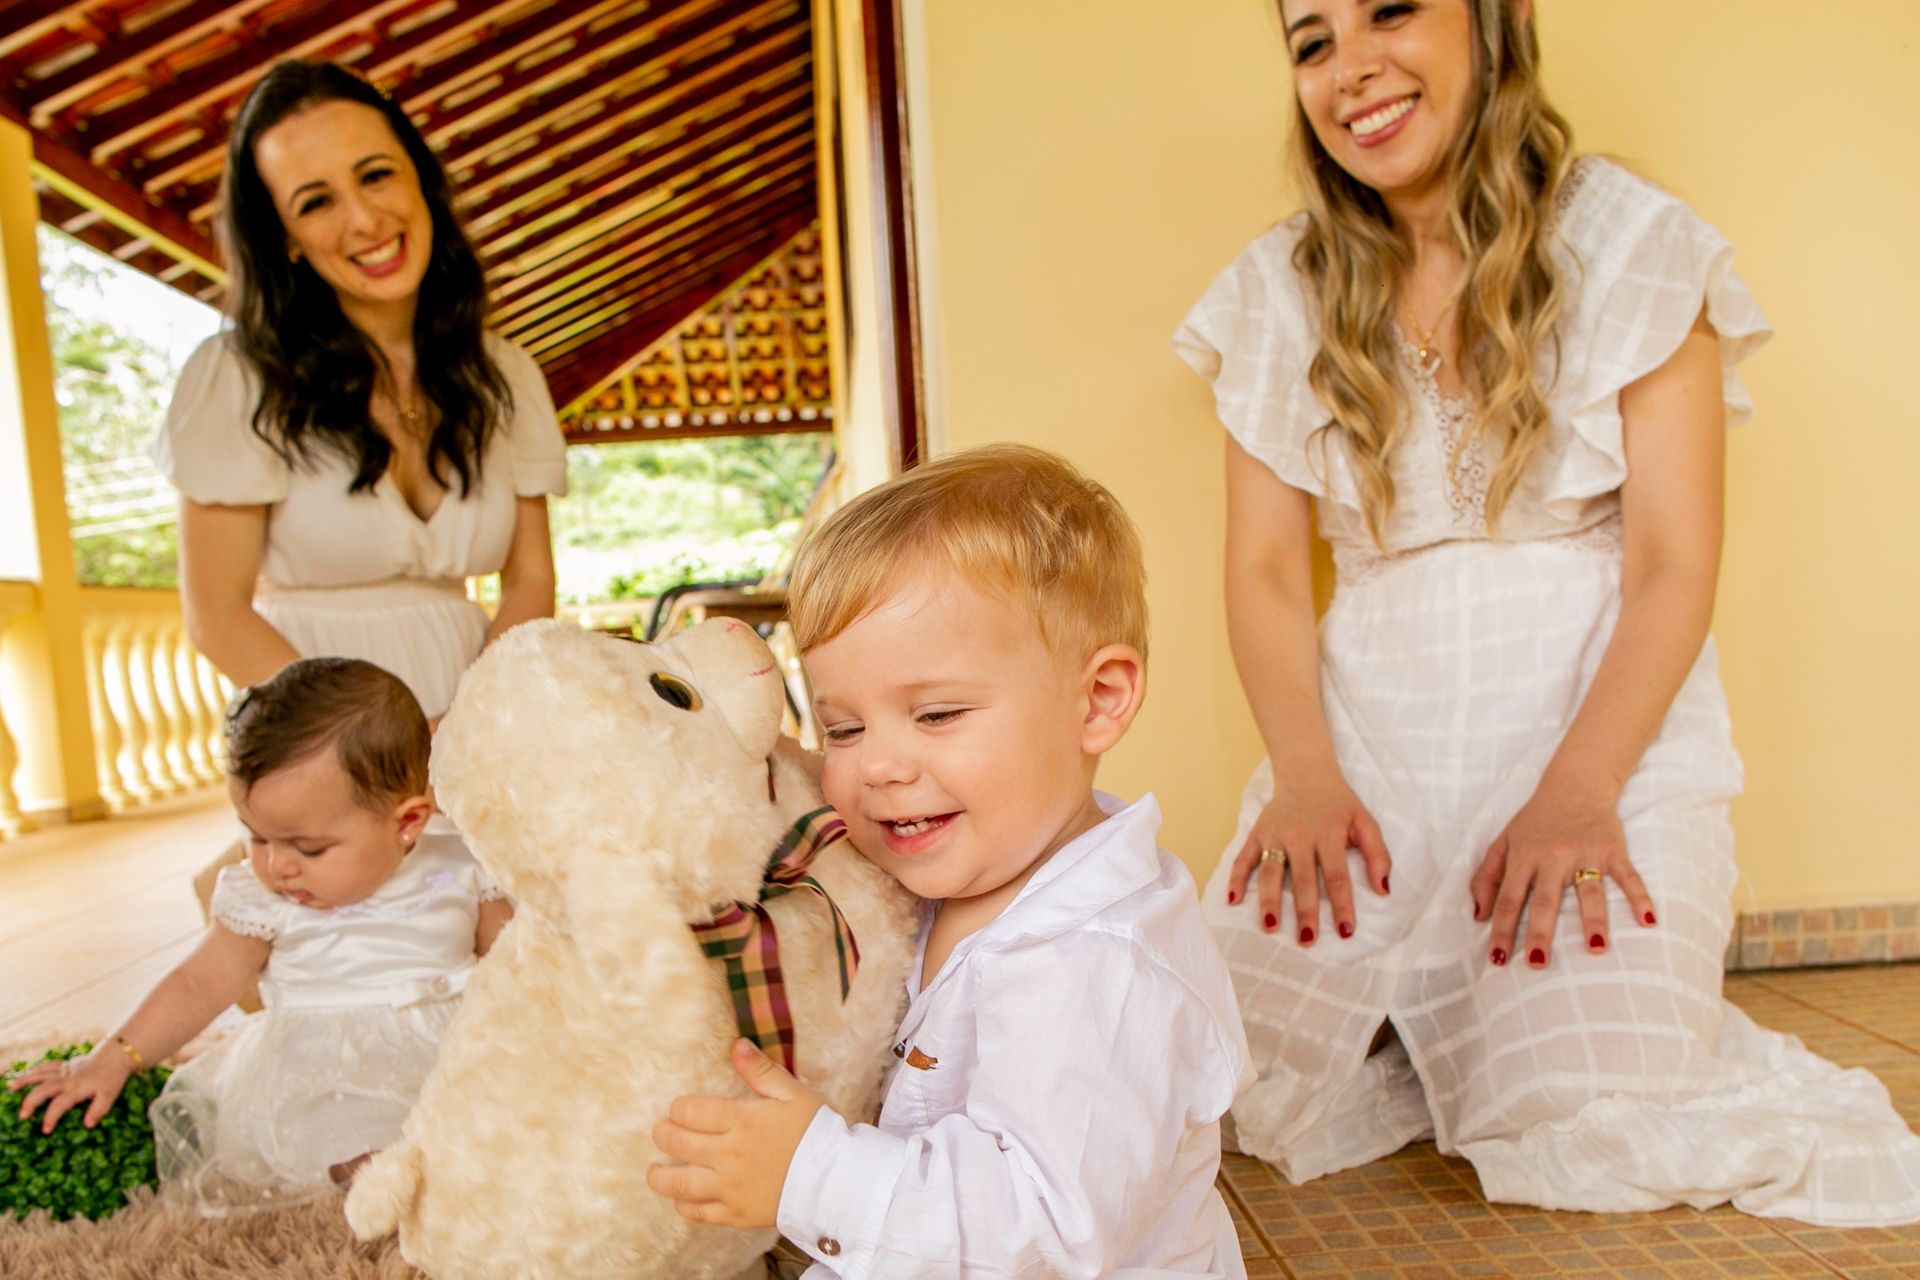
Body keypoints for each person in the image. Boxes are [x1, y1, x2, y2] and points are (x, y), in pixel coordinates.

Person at [1174, 0, 1920, 1224]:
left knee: (1590, 1116)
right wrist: (1305, 779)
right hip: (1371, 745)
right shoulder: (1274, 289)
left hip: (1596, 730)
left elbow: (1675, 559)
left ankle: (1494, 1009)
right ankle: (1428, 1006)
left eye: (1392, 12)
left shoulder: (1635, 243)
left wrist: (1581, 790)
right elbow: (1260, 570)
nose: (1351, 68)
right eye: (1311, 42)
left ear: (1494, 20)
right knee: (1227, 1084)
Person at [644, 445, 1254, 1277]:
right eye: (845, 729)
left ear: (1098, 701)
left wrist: (810, 1176)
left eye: (934, 714)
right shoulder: (950, 870)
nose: (880, 766)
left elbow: (1038, 1230)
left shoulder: (1096, 964)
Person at [8, 658, 512, 1215]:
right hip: (323, 1067)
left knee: (503, 1112)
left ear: (408, 822)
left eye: (307, 847)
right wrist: (116, 1056)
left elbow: (514, 968)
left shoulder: (462, 865)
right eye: (256, 837)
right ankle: (380, 1184)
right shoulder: (261, 896)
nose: (278, 865)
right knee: (336, 1126)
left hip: (452, 1043)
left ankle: (454, 1169)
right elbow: (200, 982)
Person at [155, 58, 563, 727]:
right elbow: (217, 616)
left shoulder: (508, 374)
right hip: (311, 738)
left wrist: (471, 732)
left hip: (482, 728)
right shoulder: (236, 374)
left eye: (376, 175)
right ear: (284, 236)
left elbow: (530, 580)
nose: (365, 220)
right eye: (316, 201)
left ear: (420, 180)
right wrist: (374, 749)